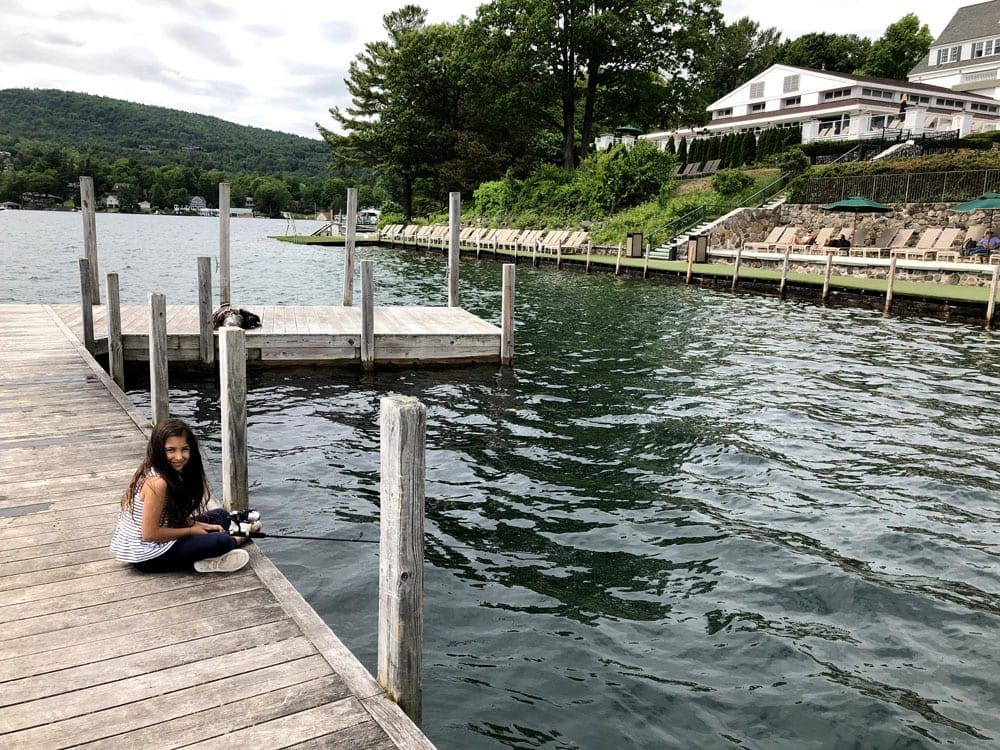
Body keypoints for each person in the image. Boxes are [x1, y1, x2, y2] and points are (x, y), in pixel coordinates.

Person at [111, 418, 249, 573]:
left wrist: (197, 525)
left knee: (221, 516)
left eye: (184, 449)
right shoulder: (157, 483)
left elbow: (168, 519)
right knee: (222, 540)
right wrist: (190, 531)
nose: (179, 457)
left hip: (160, 536)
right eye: (171, 450)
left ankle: (207, 555)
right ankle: (233, 542)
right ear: (158, 449)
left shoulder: (167, 470)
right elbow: (149, 534)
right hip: (146, 556)